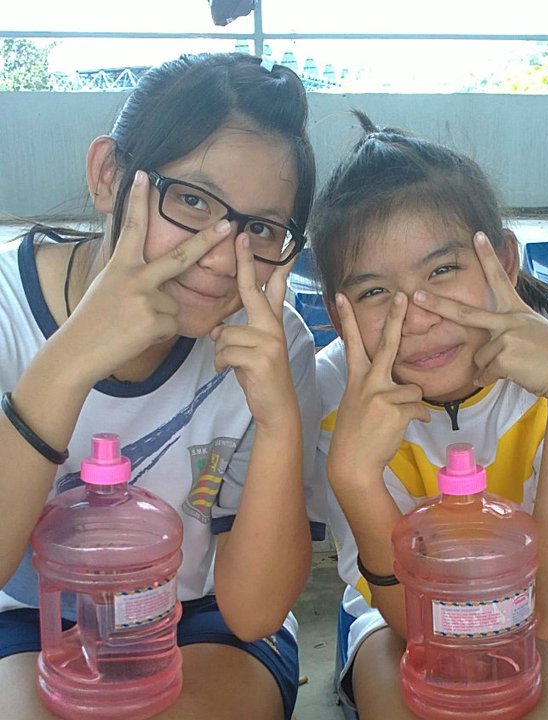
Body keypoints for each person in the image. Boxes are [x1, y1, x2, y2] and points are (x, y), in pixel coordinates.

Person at [0, 52, 327, 720]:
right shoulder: (8, 312)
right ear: (108, 175)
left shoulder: (270, 345)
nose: (220, 256)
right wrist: (68, 363)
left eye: (260, 228)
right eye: (192, 200)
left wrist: (278, 424)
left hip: (202, 618)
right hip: (27, 619)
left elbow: (255, 611)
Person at [309, 110, 548, 719]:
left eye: (443, 270)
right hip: (403, 620)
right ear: (336, 309)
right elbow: (410, 624)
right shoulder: (338, 388)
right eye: (374, 292)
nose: (418, 316)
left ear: (504, 261)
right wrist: (354, 479)